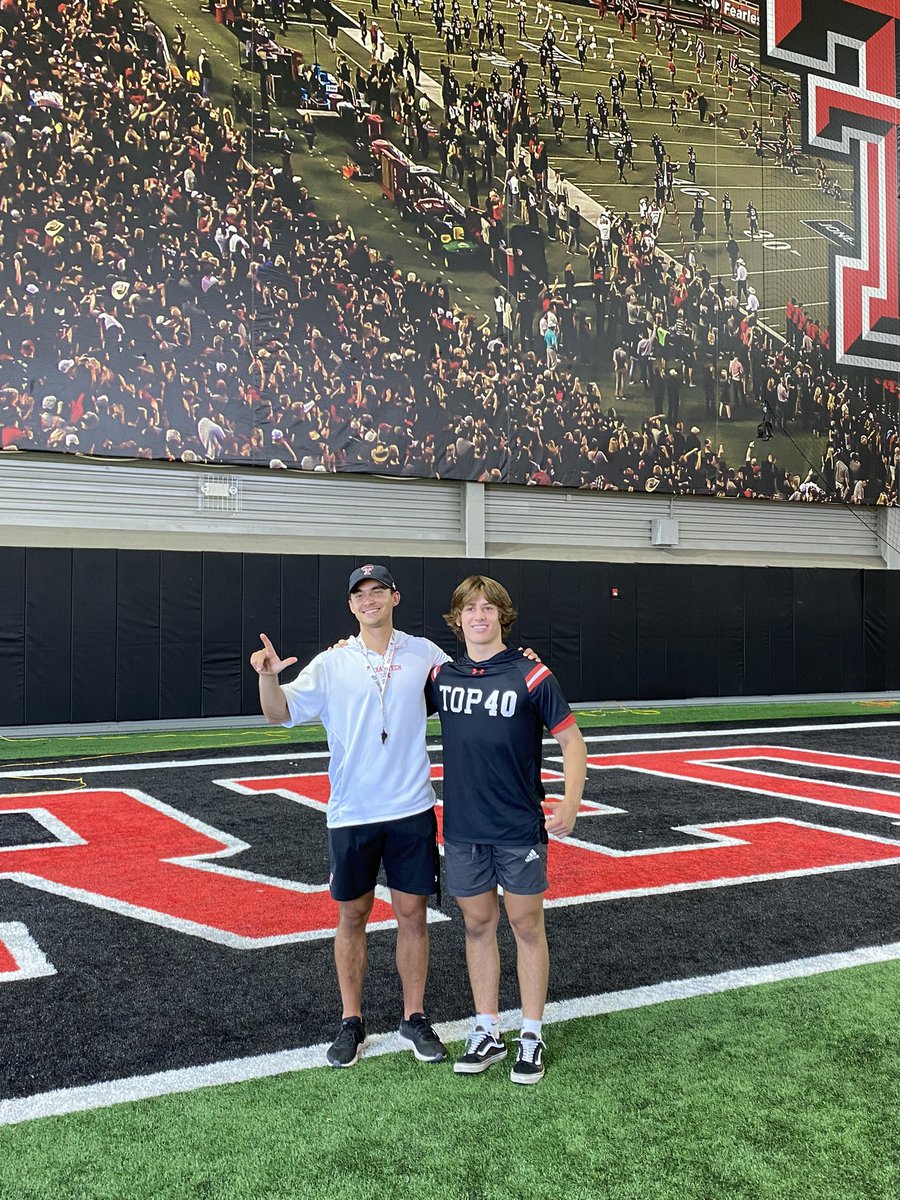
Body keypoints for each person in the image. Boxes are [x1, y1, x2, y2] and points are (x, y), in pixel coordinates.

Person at [250, 564, 449, 1069]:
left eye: (377, 590)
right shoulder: (332, 663)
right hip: (352, 812)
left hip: (411, 808)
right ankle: (352, 1021)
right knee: (352, 916)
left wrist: (518, 662)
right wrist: (269, 677)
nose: (368, 600)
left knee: (412, 916)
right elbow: (278, 713)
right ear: (350, 606)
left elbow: (472, 686)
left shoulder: (424, 653)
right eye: (359, 594)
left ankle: (414, 1016)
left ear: (394, 597)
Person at [427, 575, 587, 1085]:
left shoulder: (532, 674)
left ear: (502, 616)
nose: (479, 616)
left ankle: (532, 1034)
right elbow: (385, 692)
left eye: (488, 608)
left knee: (525, 925)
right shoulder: (441, 678)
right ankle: (487, 1028)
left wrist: (572, 801)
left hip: (518, 825)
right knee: (476, 925)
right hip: (463, 828)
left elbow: (573, 743)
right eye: (469, 608)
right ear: (456, 620)